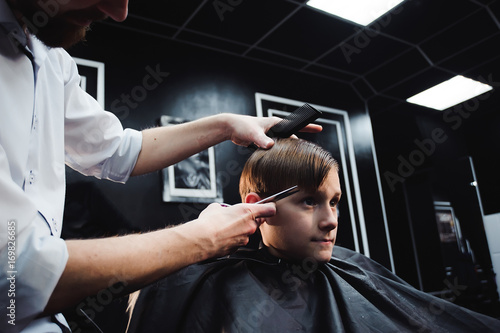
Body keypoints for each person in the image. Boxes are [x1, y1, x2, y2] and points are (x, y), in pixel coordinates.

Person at [0, 1, 322, 332]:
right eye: (310, 200)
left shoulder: (54, 62)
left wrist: (227, 125)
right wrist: (202, 237)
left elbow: (117, 150)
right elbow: (13, 277)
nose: (119, 12)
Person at [127, 138, 500, 333]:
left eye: (334, 202)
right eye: (309, 202)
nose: (330, 220)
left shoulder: (354, 268)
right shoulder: (212, 281)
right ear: (259, 207)